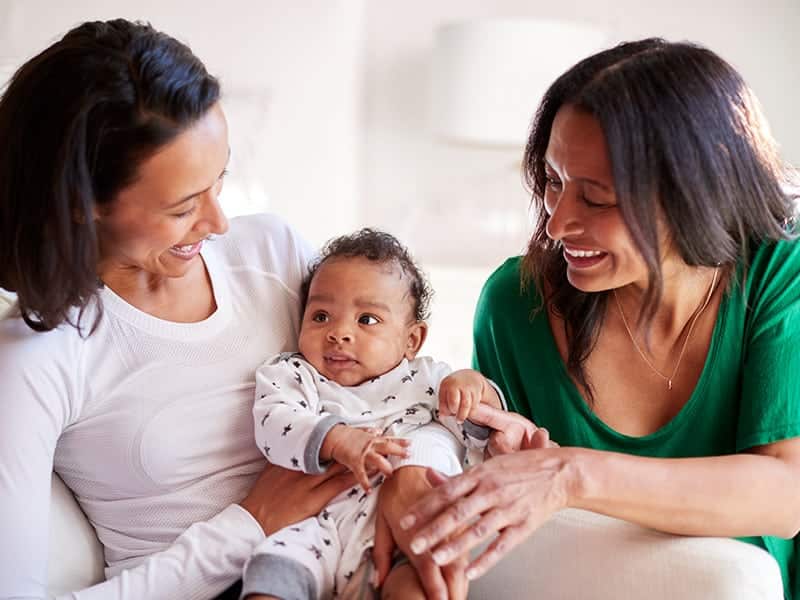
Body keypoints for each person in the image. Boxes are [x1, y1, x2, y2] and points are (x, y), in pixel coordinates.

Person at [0, 19, 460, 600]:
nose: (218, 223)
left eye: (220, 181)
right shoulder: (35, 353)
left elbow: (396, 381)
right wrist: (248, 525)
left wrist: (416, 468)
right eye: (184, 205)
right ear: (81, 204)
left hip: (358, 558)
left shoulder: (270, 249)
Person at [396, 38, 800, 599]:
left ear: (693, 193)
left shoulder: (781, 274)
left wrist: (569, 474)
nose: (558, 224)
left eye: (597, 198)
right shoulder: (516, 302)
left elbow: (784, 495)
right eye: (555, 182)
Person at [241, 229, 503, 600]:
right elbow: (273, 424)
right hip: (314, 529)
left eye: (366, 320)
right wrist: (335, 438)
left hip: (398, 527)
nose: (339, 333)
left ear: (412, 340)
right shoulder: (293, 374)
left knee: (418, 585)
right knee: (267, 577)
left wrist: (474, 388)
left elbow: (478, 432)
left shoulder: (425, 378)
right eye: (320, 316)